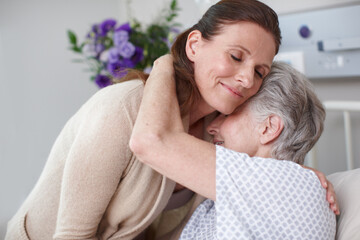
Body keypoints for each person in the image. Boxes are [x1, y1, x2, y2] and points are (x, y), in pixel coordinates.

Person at [5, 1, 336, 239]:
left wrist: (295, 171)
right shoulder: (124, 108)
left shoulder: (214, 137)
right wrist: (164, 63)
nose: (247, 79)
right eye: (235, 56)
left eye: (259, 72)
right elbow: (71, 235)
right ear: (194, 45)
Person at [130, 59, 337, 239]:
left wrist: (165, 64)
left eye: (228, 114)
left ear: (268, 127)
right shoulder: (278, 185)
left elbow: (151, 141)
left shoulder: (280, 183)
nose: (212, 126)